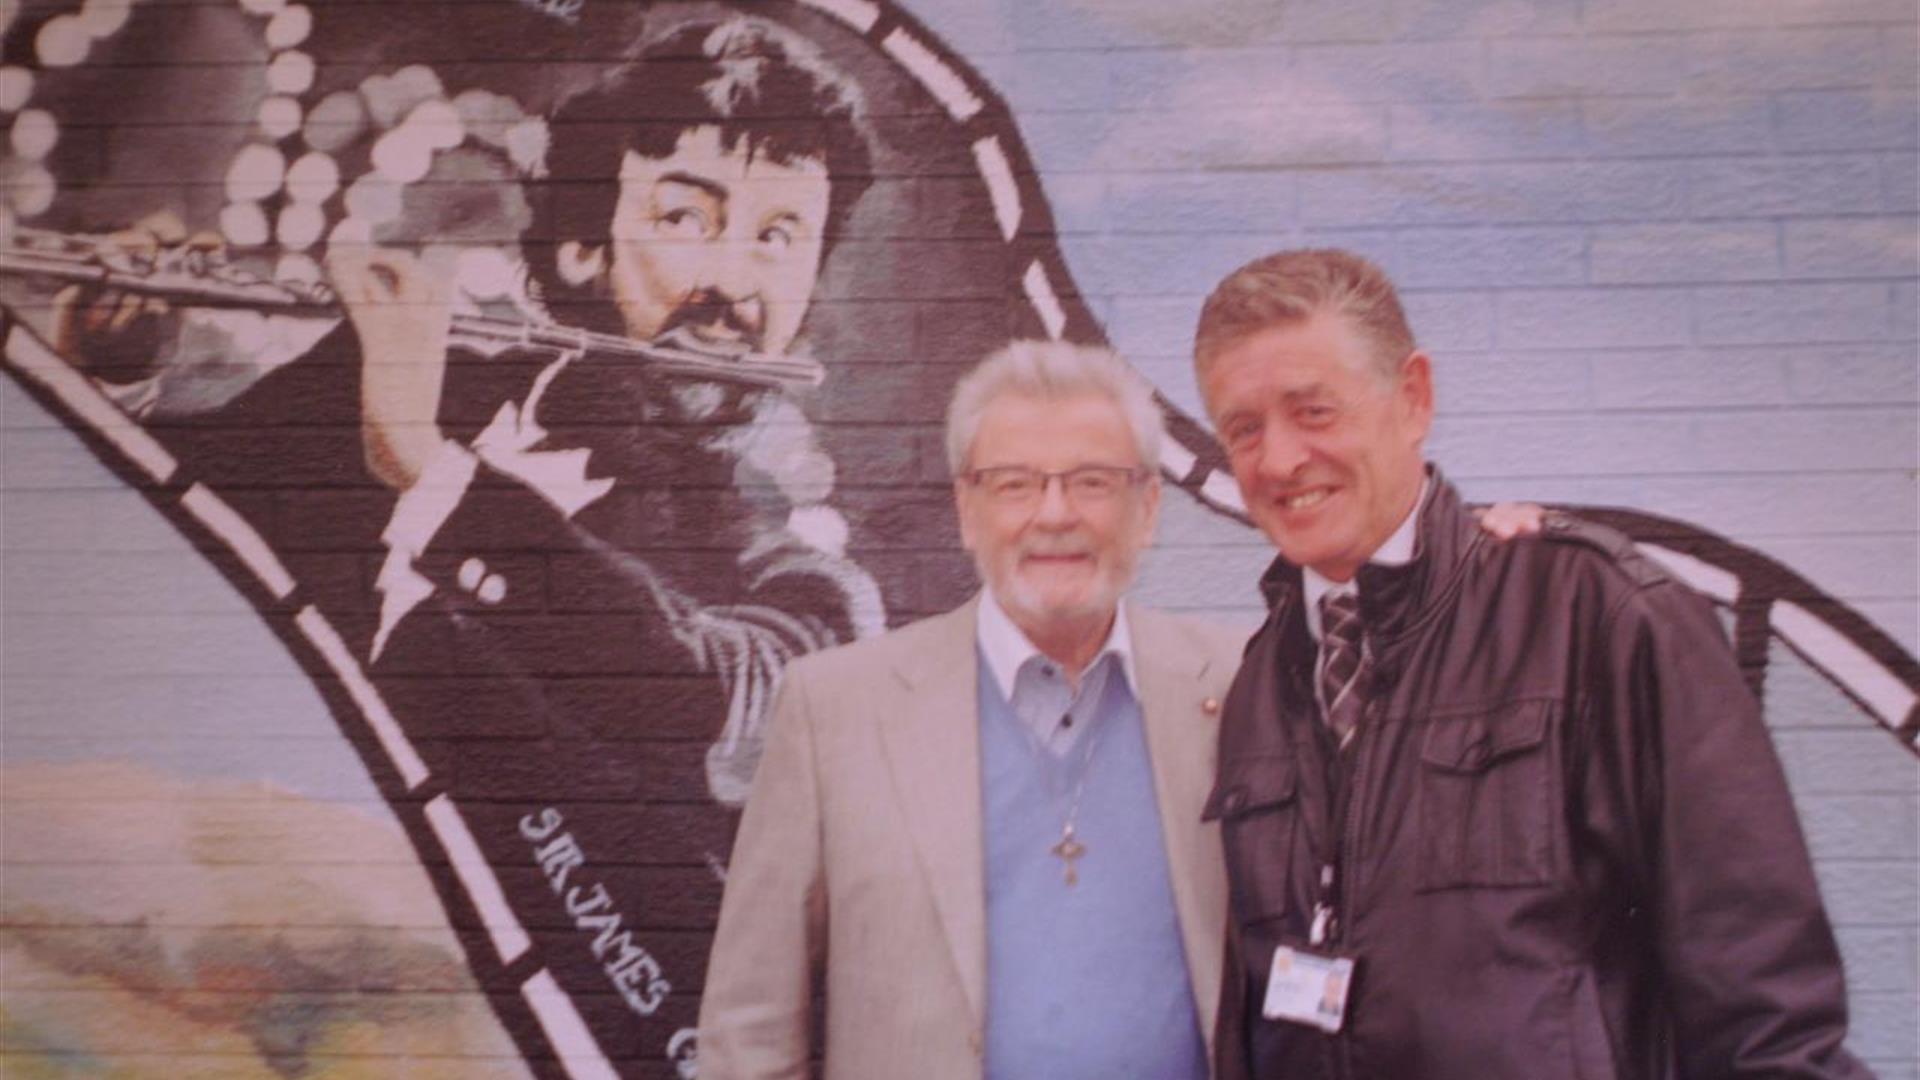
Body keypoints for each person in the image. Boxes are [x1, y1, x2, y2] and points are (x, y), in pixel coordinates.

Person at [1193, 248, 1870, 1079]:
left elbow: (1771, 1023)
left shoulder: (1599, 618)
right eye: (1244, 428)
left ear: (1413, 399)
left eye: (1314, 411)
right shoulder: (1262, 684)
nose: (1281, 459)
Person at [697, 340, 1246, 1079]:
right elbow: (749, 1032)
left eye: (1092, 482)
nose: (1054, 516)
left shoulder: (1240, 691)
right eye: (1014, 484)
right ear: (967, 510)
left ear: (1147, 509)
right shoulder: (834, 711)